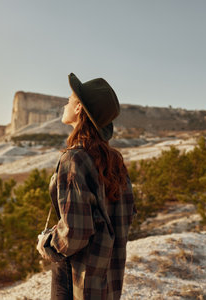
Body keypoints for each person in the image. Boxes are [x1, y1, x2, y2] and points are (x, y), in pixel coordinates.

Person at [36, 73, 136, 300]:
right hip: (108, 279)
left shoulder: (73, 160)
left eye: (69, 100)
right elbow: (118, 220)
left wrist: (48, 243)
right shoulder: (116, 162)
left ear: (79, 107)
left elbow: (75, 233)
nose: (65, 104)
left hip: (75, 279)